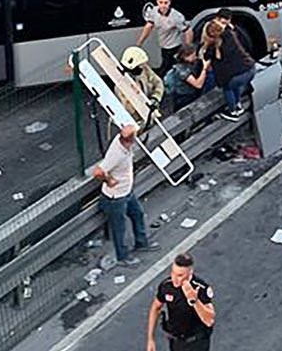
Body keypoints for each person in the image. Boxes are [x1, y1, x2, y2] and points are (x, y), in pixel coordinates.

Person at [91, 123, 160, 265]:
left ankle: (141, 242)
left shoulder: (122, 142)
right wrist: (109, 180)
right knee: (119, 228)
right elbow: (98, 172)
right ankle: (122, 256)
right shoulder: (116, 154)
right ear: (131, 139)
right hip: (115, 198)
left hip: (126, 192)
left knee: (138, 214)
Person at [147, 253, 216, 351]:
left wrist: (194, 301)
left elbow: (209, 320)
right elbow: (156, 307)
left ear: (190, 272)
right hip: (176, 342)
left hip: (196, 343)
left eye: (180, 275)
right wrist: (150, 338)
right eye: (173, 273)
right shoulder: (167, 286)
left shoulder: (200, 288)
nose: (174, 278)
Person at [207, 11, 255, 120]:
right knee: (235, 85)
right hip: (250, 69)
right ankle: (238, 104)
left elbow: (208, 57)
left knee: (227, 88)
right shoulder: (231, 35)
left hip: (237, 75)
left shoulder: (214, 48)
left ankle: (232, 111)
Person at [138, 0, 190, 72]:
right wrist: (140, 42)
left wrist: (188, 47)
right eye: (161, 2)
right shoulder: (154, 11)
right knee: (167, 65)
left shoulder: (176, 17)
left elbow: (188, 31)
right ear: (157, 2)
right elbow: (148, 26)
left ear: (169, 3)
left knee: (167, 68)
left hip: (174, 46)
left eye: (166, 3)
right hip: (164, 46)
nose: (163, 5)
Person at [119, 46, 165, 124]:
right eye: (141, 65)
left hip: (151, 116)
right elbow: (130, 108)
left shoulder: (145, 70)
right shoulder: (122, 85)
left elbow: (158, 83)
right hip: (135, 122)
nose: (144, 66)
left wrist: (155, 98)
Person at [164, 42, 213, 110]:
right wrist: (204, 69)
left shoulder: (193, 62)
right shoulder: (181, 70)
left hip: (191, 92)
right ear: (185, 57)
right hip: (184, 97)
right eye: (192, 55)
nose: (195, 57)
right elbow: (198, 85)